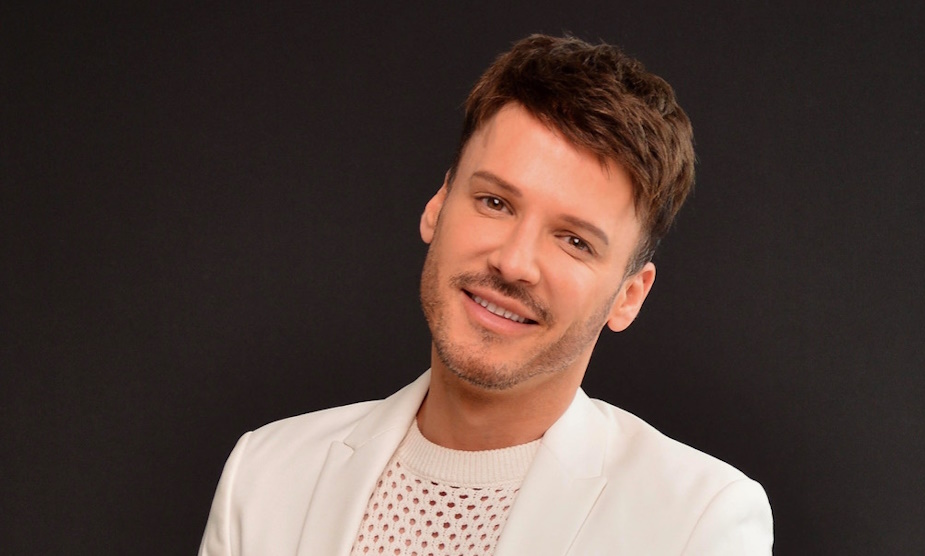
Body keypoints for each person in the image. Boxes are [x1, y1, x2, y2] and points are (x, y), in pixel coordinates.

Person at [199, 34, 773, 555]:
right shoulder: (264, 473)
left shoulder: (697, 522)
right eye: (495, 203)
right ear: (438, 205)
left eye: (574, 241)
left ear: (630, 296)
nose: (514, 263)